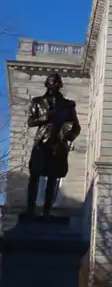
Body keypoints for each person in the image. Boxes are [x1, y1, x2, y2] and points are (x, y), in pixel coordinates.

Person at [26, 72, 81, 218]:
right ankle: (30, 209)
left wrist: (69, 135)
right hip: (41, 142)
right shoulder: (37, 102)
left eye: (57, 82)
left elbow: (76, 126)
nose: (54, 85)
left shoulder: (68, 105)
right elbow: (31, 122)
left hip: (58, 143)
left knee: (53, 176)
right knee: (35, 175)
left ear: (60, 85)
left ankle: (47, 210)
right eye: (51, 82)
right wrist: (45, 117)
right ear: (47, 84)